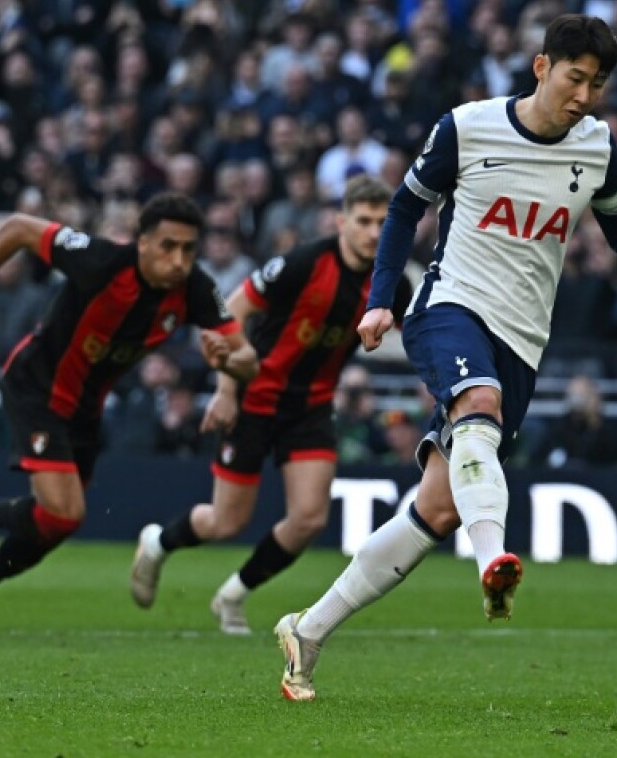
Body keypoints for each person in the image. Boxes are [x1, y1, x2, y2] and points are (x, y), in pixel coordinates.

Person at [272, 14, 617, 701]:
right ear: (542, 67)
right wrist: (381, 299)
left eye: (597, 85)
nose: (584, 96)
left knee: (438, 509)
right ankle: (494, 562)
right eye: (574, 78)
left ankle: (308, 630)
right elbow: (403, 208)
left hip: (521, 339)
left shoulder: (597, 147)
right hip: (450, 305)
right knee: (479, 404)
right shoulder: (467, 127)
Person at [0, 194, 259, 637]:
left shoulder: (196, 289)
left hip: (85, 408)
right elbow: (17, 227)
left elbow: (248, 360)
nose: (179, 260)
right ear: (143, 243)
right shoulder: (101, 261)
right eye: (168, 246)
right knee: (65, 513)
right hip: (37, 387)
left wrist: (228, 362)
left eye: (188, 249)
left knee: (54, 525)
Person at [129, 175, 411, 635]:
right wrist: (225, 390)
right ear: (342, 222)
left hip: (311, 407)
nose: (373, 232)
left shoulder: (393, 285)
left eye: (383, 222)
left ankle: (232, 595)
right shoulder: (304, 262)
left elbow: (412, 335)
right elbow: (231, 311)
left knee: (309, 519)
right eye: (363, 221)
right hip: (254, 397)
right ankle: (158, 542)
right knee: (225, 522)